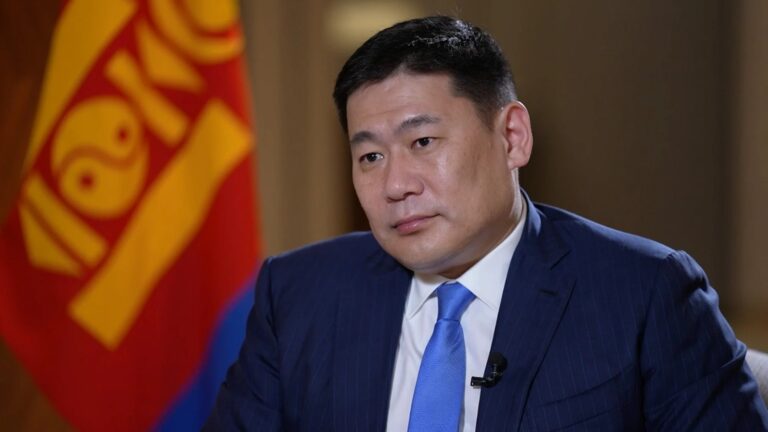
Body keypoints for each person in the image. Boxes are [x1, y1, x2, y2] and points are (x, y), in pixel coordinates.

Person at [205, 16, 768, 431]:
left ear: (512, 137)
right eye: (370, 156)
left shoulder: (646, 295)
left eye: (423, 142)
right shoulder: (298, 295)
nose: (395, 184)